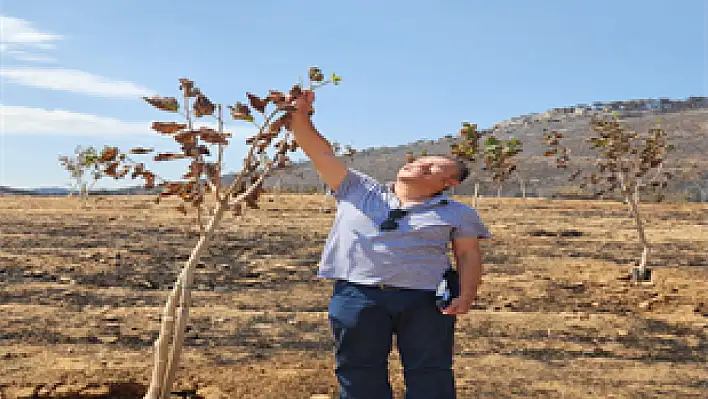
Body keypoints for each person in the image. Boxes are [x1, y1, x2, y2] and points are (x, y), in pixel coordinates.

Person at [290, 89, 492, 399]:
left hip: (424, 302)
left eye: (435, 167)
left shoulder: (458, 213)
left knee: (430, 371)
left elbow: (467, 256)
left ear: (449, 183)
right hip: (357, 295)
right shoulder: (357, 189)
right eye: (421, 160)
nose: (421, 165)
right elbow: (321, 153)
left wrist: (465, 296)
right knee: (358, 369)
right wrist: (301, 114)